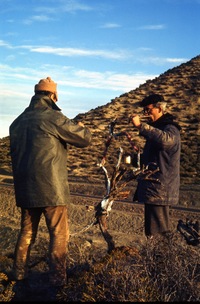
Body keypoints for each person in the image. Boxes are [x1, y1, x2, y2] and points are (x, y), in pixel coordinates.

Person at [9, 76, 92, 287]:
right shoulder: (54, 117)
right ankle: (57, 279)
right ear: (53, 95)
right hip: (52, 189)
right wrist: (79, 126)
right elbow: (84, 139)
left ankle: (19, 272)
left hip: (25, 188)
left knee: (27, 232)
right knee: (59, 233)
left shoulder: (16, 123)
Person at [131, 93, 181, 239]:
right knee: (153, 232)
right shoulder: (159, 129)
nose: (146, 113)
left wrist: (141, 126)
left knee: (158, 234)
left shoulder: (170, 128)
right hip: (154, 189)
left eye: (148, 109)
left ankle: (162, 261)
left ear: (160, 108)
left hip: (160, 188)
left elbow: (166, 141)